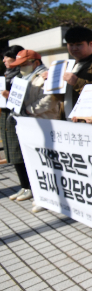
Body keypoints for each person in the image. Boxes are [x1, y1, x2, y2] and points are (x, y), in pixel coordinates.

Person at [8, 50, 61, 210]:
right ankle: (40, 194)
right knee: (35, 163)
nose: (21, 69)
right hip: (30, 127)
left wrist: (29, 110)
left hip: (46, 125)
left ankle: (50, 198)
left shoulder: (47, 76)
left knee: (48, 164)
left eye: (24, 65)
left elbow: (49, 100)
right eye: (19, 65)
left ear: (35, 63)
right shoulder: (23, 79)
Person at [60, 26, 92, 119]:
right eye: (70, 45)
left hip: (86, 122)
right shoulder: (69, 65)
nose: (74, 48)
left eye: (78, 44)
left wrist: (77, 82)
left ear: (90, 44)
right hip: (66, 119)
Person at [2, 46, 26, 196]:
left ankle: (28, 186)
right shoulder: (6, 76)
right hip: (4, 117)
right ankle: (24, 186)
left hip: (17, 118)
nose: (4, 60)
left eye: (6, 57)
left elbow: (22, 100)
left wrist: (8, 96)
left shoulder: (21, 77)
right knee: (13, 154)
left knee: (19, 153)